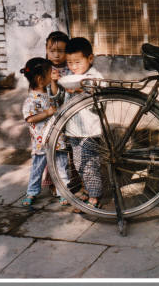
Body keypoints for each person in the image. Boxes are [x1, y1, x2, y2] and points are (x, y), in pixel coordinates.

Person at [60, 37, 103, 208]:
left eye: (77, 62)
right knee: (79, 163)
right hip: (73, 129)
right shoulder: (70, 77)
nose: (73, 66)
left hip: (90, 129)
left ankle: (95, 197)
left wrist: (82, 90)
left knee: (91, 163)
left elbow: (101, 102)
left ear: (90, 59)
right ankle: (88, 190)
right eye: (69, 62)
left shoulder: (95, 77)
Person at [41, 31, 73, 206]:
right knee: (54, 151)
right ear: (46, 50)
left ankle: (70, 181)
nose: (56, 54)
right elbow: (51, 98)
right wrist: (53, 82)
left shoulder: (70, 68)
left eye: (61, 50)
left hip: (67, 115)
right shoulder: (45, 70)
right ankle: (55, 182)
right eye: (52, 50)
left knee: (68, 151)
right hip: (51, 116)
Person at [20, 57, 56, 206]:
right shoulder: (31, 100)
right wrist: (47, 113)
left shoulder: (46, 92)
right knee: (37, 169)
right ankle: (32, 192)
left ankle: (60, 191)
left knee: (58, 167)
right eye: (49, 73)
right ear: (41, 79)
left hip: (53, 139)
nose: (52, 75)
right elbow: (29, 118)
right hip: (40, 142)